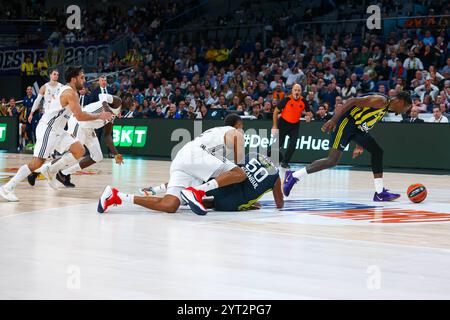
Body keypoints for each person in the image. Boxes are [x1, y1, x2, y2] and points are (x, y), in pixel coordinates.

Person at [0, 66, 113, 202]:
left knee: (79, 150)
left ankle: (50, 170)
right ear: (73, 79)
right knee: (37, 162)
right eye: (82, 77)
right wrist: (100, 115)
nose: (84, 80)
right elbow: (79, 116)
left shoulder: (71, 91)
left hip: (58, 129)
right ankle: (7, 188)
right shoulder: (70, 93)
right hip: (48, 128)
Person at [98, 114, 247, 215]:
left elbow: (204, 171)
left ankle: (117, 196)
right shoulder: (234, 131)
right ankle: (196, 192)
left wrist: (156, 189)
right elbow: (240, 167)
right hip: (197, 154)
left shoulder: (215, 136)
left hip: (184, 157)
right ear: (238, 125)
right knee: (240, 174)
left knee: (170, 205)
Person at [283, 91, 412, 201]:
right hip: (346, 124)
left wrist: (359, 144)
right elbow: (352, 101)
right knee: (332, 161)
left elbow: (363, 120)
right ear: (401, 102)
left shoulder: (386, 107)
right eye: (406, 109)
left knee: (377, 152)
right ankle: (293, 176)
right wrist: (333, 119)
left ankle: (379, 193)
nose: (404, 112)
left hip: (358, 129)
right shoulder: (381, 101)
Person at [140, 153, 284, 211]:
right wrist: (250, 204)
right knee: (216, 202)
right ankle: (182, 201)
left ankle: (156, 189)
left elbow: (235, 170)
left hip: (224, 183)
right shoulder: (276, 175)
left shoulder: (253, 154)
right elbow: (279, 203)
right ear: (278, 163)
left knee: (194, 180)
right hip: (233, 202)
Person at [272, 83, 311, 168]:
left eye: (299, 90)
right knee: (277, 145)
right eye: (295, 90)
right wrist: (274, 126)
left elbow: (309, 113)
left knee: (293, 144)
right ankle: (269, 158)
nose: (297, 92)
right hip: (283, 123)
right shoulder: (286, 99)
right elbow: (275, 111)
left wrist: (308, 117)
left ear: (301, 92)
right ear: (292, 91)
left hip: (295, 125)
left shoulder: (304, 101)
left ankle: (285, 162)